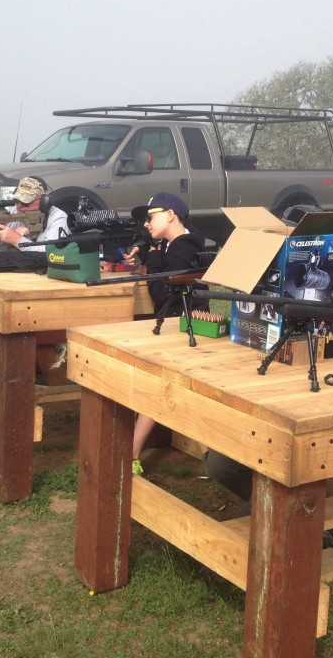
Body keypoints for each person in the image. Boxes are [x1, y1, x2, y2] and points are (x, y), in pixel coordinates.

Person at [203, 203, 333, 503]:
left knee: (297, 456)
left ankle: (292, 515)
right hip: (265, 367)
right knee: (223, 462)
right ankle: (280, 509)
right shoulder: (266, 259)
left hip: (314, 376)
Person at [121, 193, 209, 475]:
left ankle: (132, 452)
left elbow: (161, 293)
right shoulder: (184, 242)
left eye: (151, 217)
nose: (146, 223)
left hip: (181, 329)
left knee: (156, 388)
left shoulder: (180, 250)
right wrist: (150, 254)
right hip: (182, 326)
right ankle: (210, 457)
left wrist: (154, 260)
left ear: (171, 214)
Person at [0, 176, 70, 250]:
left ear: (44, 202)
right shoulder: (12, 210)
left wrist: (17, 240)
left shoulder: (58, 218)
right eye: (17, 200)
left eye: (25, 203)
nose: (19, 206)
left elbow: (51, 252)